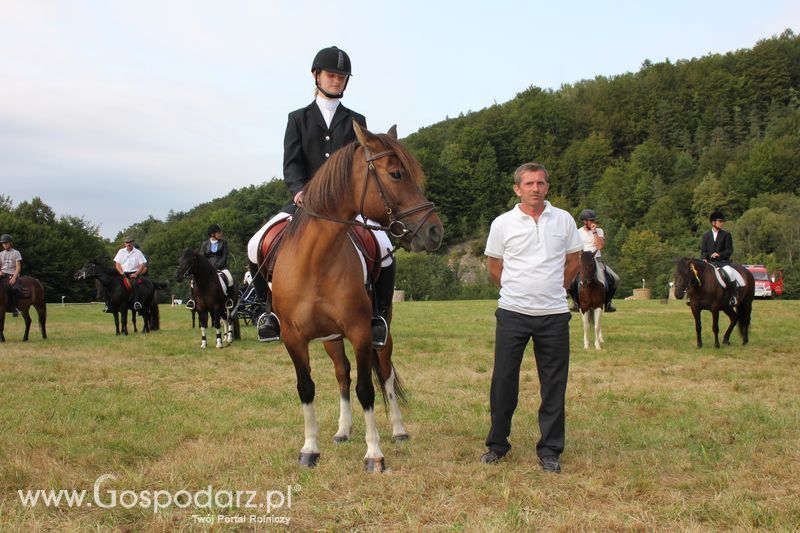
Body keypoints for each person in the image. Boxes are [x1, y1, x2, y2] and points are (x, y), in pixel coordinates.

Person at [252, 45, 395, 347]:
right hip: (304, 202)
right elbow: (291, 164)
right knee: (256, 244)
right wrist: (298, 190)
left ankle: (378, 316)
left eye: (342, 76)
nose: (336, 80)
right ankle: (268, 314)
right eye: (331, 74)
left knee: (384, 246)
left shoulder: (356, 120)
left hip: (345, 208)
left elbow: (362, 165)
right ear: (316, 75)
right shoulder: (298, 118)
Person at [480, 163, 582, 474]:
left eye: (540, 183)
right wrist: (517, 291)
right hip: (513, 313)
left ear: (547, 187)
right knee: (503, 382)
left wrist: (555, 288)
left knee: (553, 384)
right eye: (529, 184)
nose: (535, 188)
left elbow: (574, 261)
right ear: (517, 189)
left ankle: (550, 450)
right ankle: (497, 445)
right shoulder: (502, 224)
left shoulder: (564, 220)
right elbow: (494, 266)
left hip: (553, 315)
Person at [574, 209, 620, 312]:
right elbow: (576, 249)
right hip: (583, 261)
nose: (594, 222)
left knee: (616, 279)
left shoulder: (599, 231)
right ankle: (576, 303)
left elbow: (600, 246)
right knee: (572, 280)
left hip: (597, 260)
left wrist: (594, 232)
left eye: (594, 220)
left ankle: (608, 303)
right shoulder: (578, 232)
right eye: (591, 220)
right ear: (584, 221)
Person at [701, 210, 737, 305]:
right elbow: (703, 250)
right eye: (720, 221)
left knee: (730, 273)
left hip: (722, 262)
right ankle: (695, 298)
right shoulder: (706, 236)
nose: (722, 223)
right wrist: (704, 258)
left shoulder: (726, 235)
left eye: (722, 221)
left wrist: (719, 254)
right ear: (713, 223)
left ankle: (734, 296)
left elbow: (729, 250)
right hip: (708, 262)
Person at [114, 235, 147, 310]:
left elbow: (142, 265)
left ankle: (136, 302)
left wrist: (136, 274)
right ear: (124, 244)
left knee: (135, 284)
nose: (128, 244)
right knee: (110, 282)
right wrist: (121, 272)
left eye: (130, 242)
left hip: (133, 273)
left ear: (133, 243)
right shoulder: (120, 251)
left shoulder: (138, 252)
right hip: (122, 273)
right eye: (127, 242)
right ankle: (110, 303)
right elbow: (117, 264)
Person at [0, 234, 23, 317]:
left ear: (10, 243)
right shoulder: (1, 254)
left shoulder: (16, 253)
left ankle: (14, 308)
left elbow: (18, 267)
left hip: (13, 274)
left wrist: (14, 277)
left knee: (15, 288)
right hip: (3, 275)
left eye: (6, 243)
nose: (4, 245)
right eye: (3, 243)